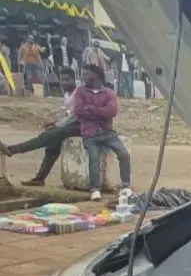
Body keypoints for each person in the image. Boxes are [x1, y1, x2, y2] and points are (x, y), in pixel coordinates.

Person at [0, 71, 79, 185]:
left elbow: (75, 117)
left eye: (67, 80)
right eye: (62, 80)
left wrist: (56, 125)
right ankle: (40, 179)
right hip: (70, 125)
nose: (64, 83)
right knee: (52, 146)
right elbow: (69, 115)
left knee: (48, 136)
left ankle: (12, 150)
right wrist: (55, 122)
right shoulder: (67, 95)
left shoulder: (79, 94)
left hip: (80, 126)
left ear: (74, 79)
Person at [73, 63, 133, 201]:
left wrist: (91, 109)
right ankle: (95, 189)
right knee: (94, 159)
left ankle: (126, 186)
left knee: (124, 155)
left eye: (86, 74)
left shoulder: (109, 93)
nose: (83, 76)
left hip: (107, 132)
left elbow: (111, 112)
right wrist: (100, 111)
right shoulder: (81, 92)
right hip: (90, 133)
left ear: (96, 75)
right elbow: (78, 111)